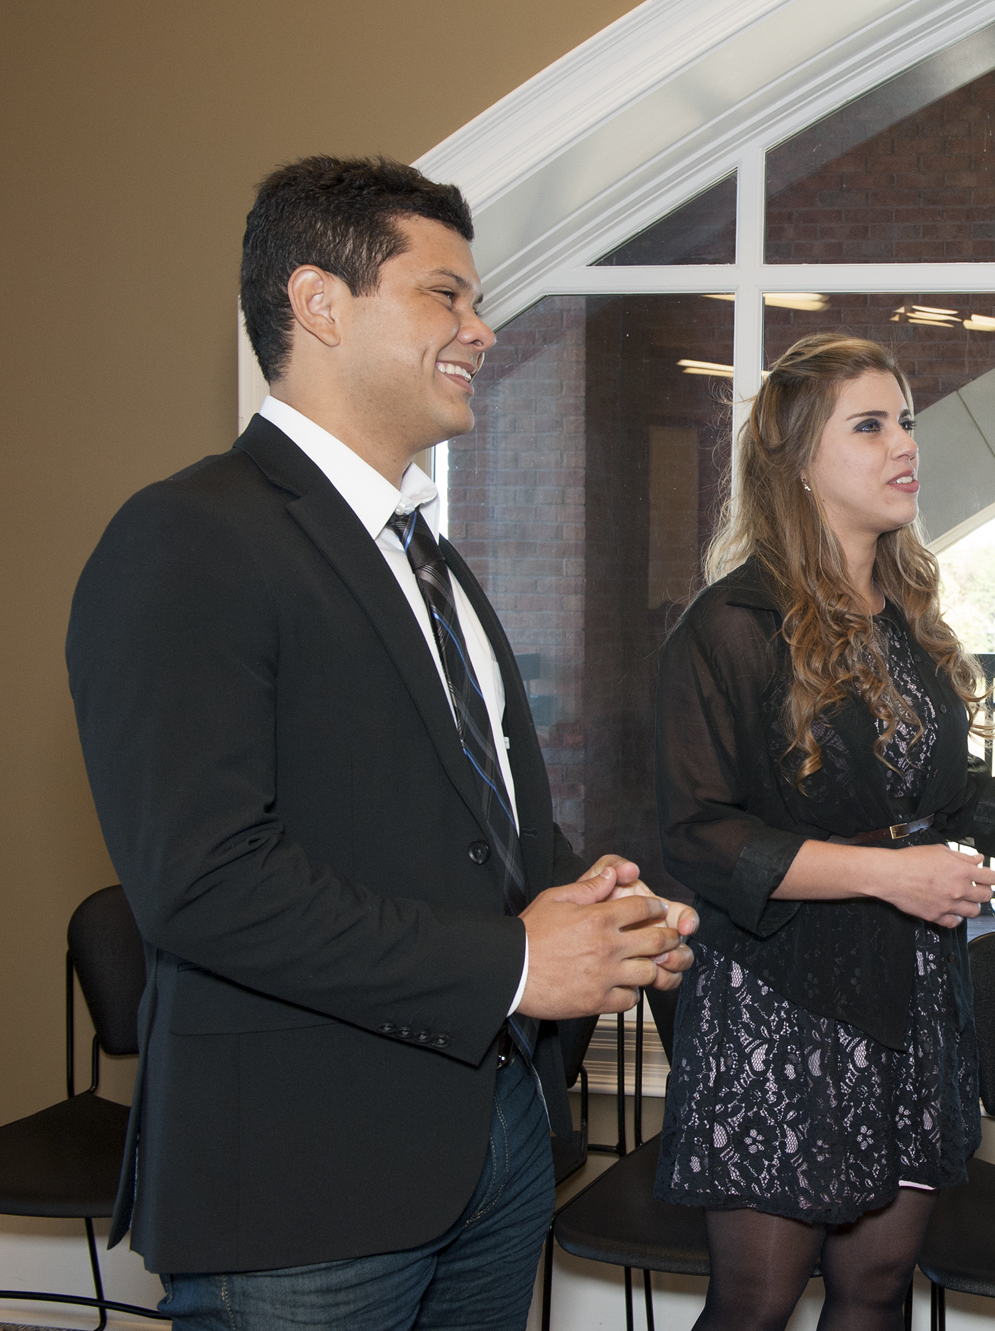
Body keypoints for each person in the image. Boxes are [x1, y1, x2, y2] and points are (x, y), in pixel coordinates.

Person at [66, 156, 698, 1330]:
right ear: (318, 303)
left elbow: (480, 827)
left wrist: (591, 902)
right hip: (304, 1184)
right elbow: (203, 883)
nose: (482, 328)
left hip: (494, 1146)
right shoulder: (184, 538)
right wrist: (515, 964)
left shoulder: (430, 556)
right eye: (445, 295)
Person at [651, 332, 995, 1330]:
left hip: (909, 998)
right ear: (796, 460)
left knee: (876, 1290)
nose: (904, 443)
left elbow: (947, 802)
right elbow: (699, 834)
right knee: (758, 1299)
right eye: (868, 425)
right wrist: (888, 875)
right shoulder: (732, 624)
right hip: (783, 1005)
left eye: (905, 420)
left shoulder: (903, 617)